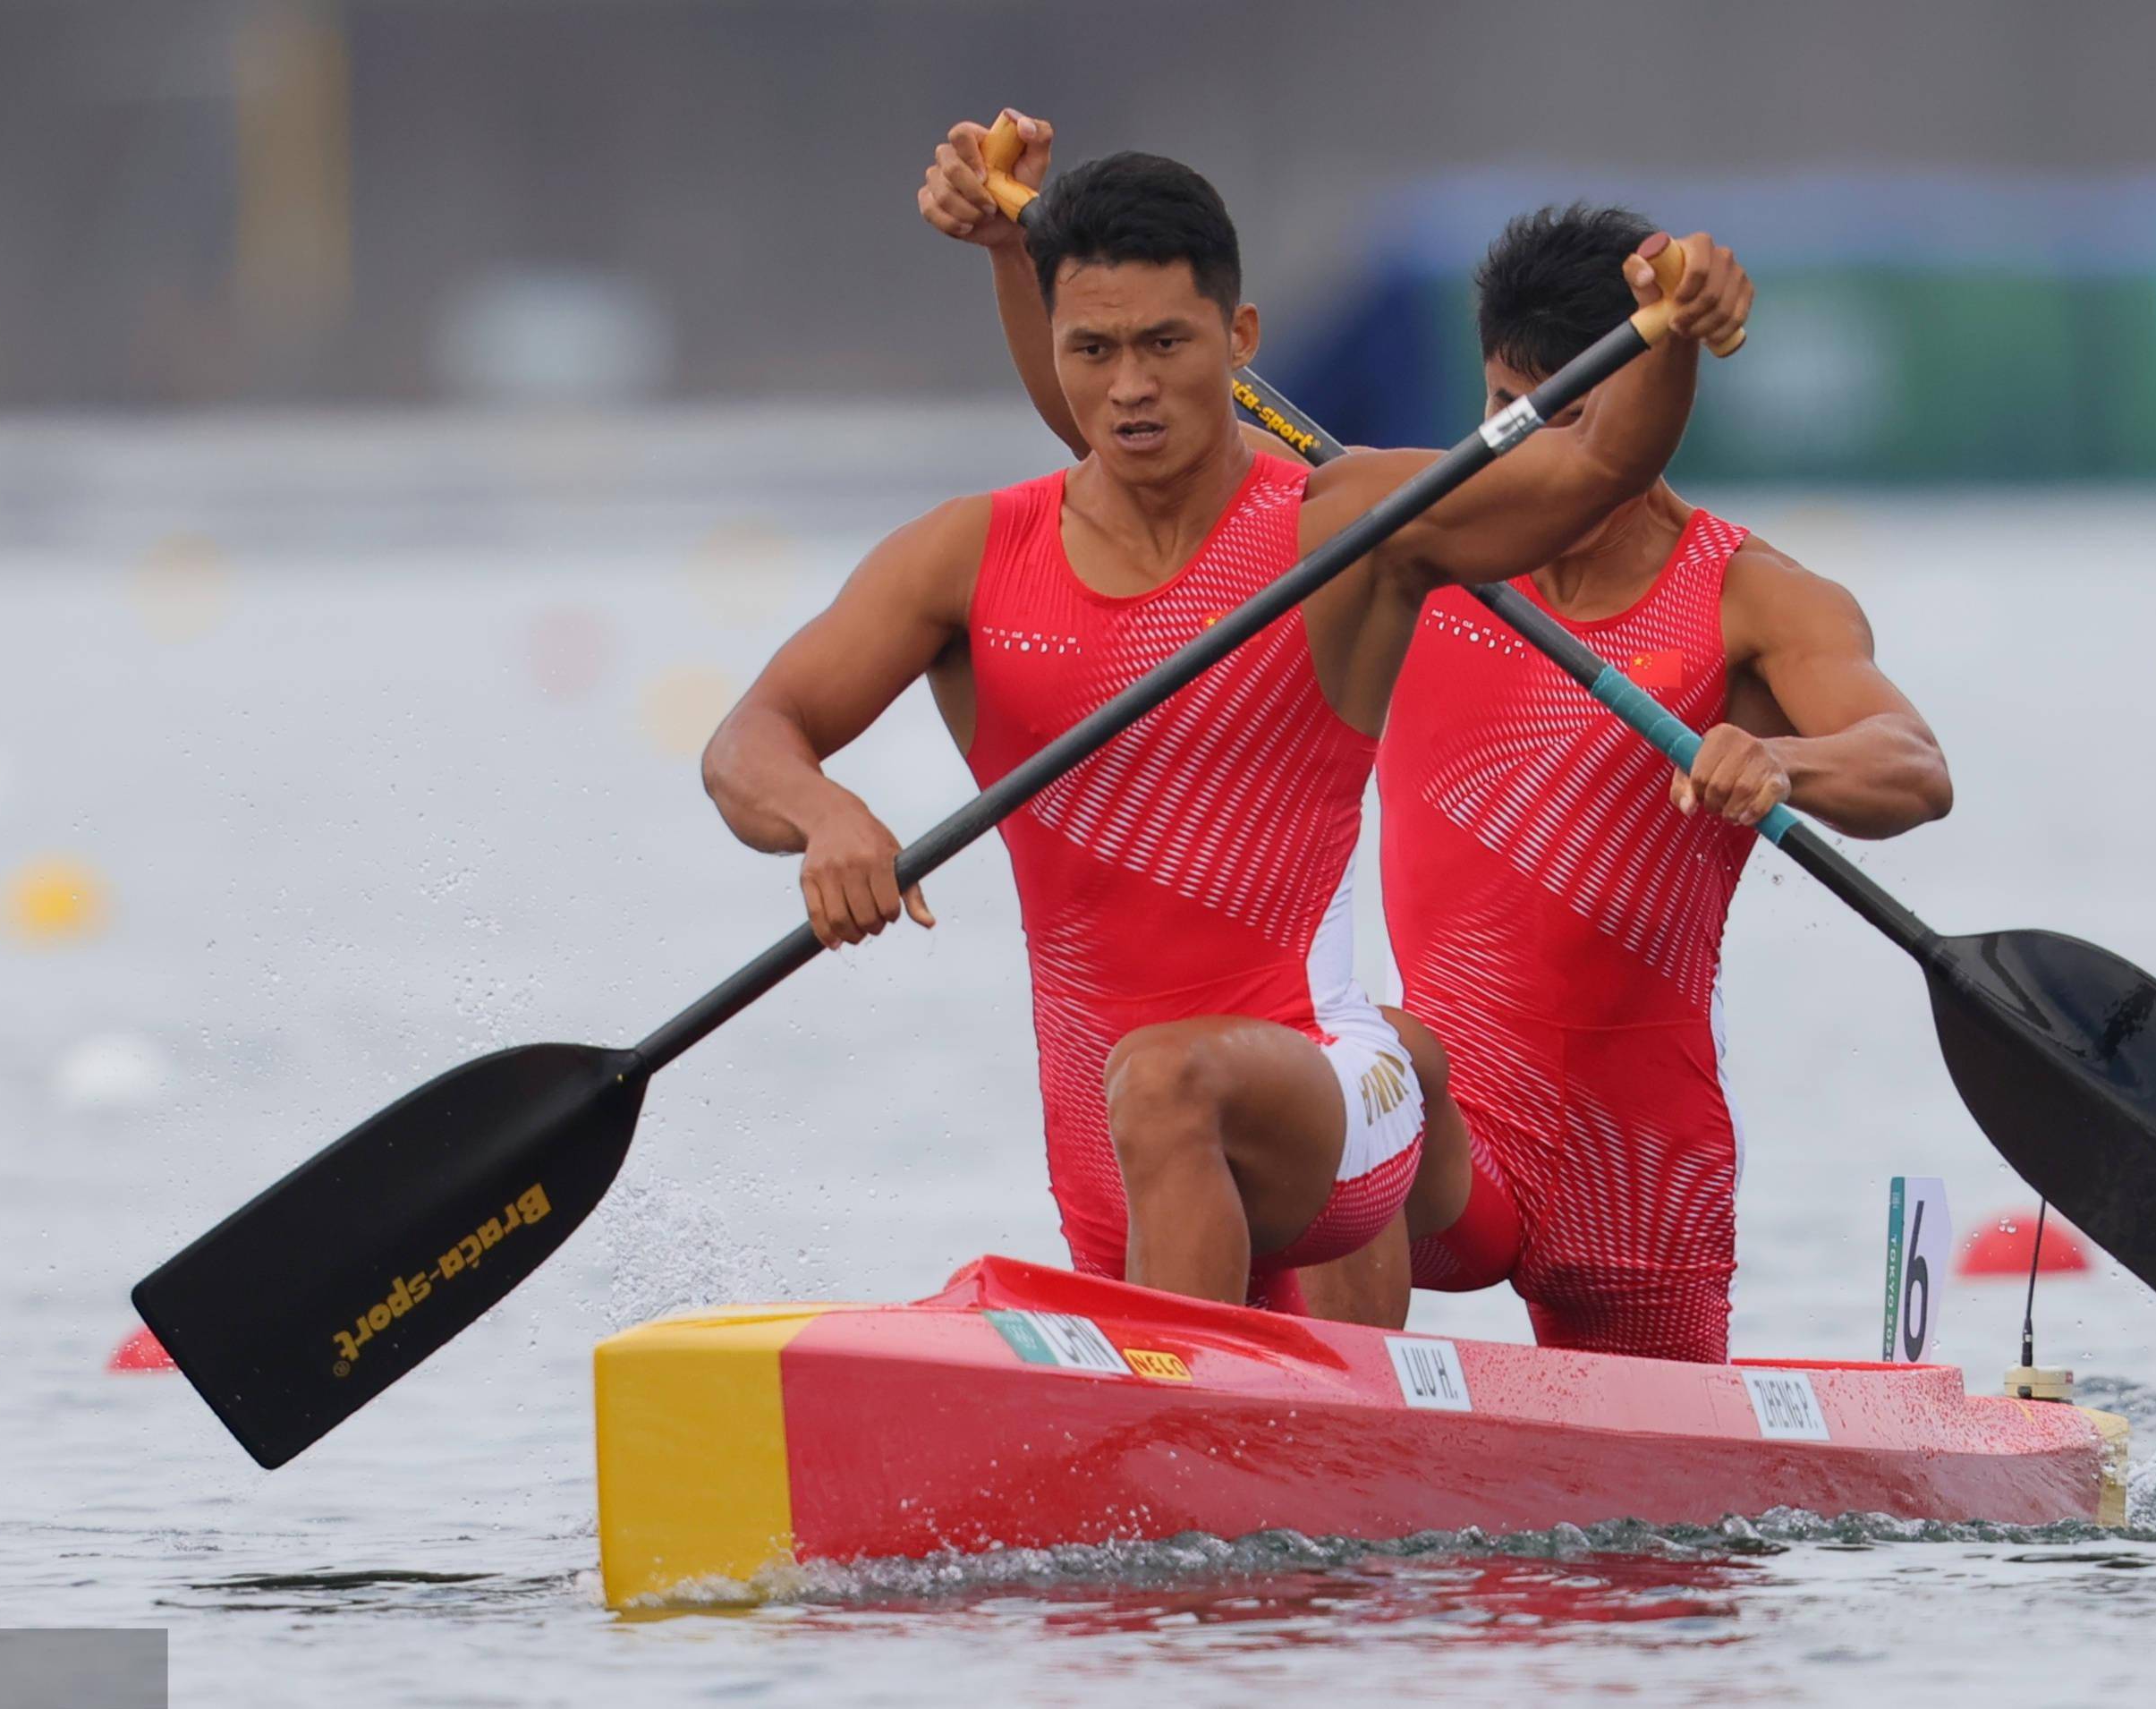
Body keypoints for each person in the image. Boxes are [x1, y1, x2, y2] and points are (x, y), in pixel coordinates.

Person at [922, 116, 1946, 1361]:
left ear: (1637, 408)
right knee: (1378, 1060)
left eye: (1560, 418)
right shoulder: (1417, 545)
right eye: (1501, 408)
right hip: (1453, 1143)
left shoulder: (1750, 600)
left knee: (1657, 1561)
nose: (1516, 450)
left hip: (1639, 1167)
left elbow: (1911, 765)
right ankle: (1342, 1406)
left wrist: (1783, 762)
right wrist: (1012, 251)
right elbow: (1129, 431)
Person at [709, 132, 1750, 1325]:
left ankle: (1181, 1426)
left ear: (1238, 343)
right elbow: (750, 737)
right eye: (1092, 351)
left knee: (1164, 1079)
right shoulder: (962, 556)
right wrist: (825, 815)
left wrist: (1670, 339)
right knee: (1150, 1101)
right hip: (1105, 1160)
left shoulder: (1345, 529)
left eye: (1166, 344)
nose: (1130, 388)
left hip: (1334, 1106)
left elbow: (1597, 467)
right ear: (1050, 352)